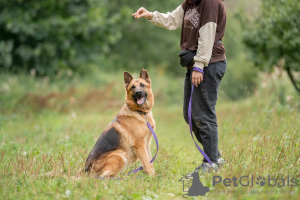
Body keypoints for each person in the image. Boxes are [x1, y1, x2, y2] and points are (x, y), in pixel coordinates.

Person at [132, 0, 226, 173]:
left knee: (203, 114)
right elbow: (172, 20)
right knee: (190, 115)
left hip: (208, 65)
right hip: (195, 66)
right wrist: (151, 15)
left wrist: (199, 65)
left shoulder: (209, 2)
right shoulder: (189, 3)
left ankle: (211, 162)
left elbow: (207, 34)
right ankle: (215, 157)